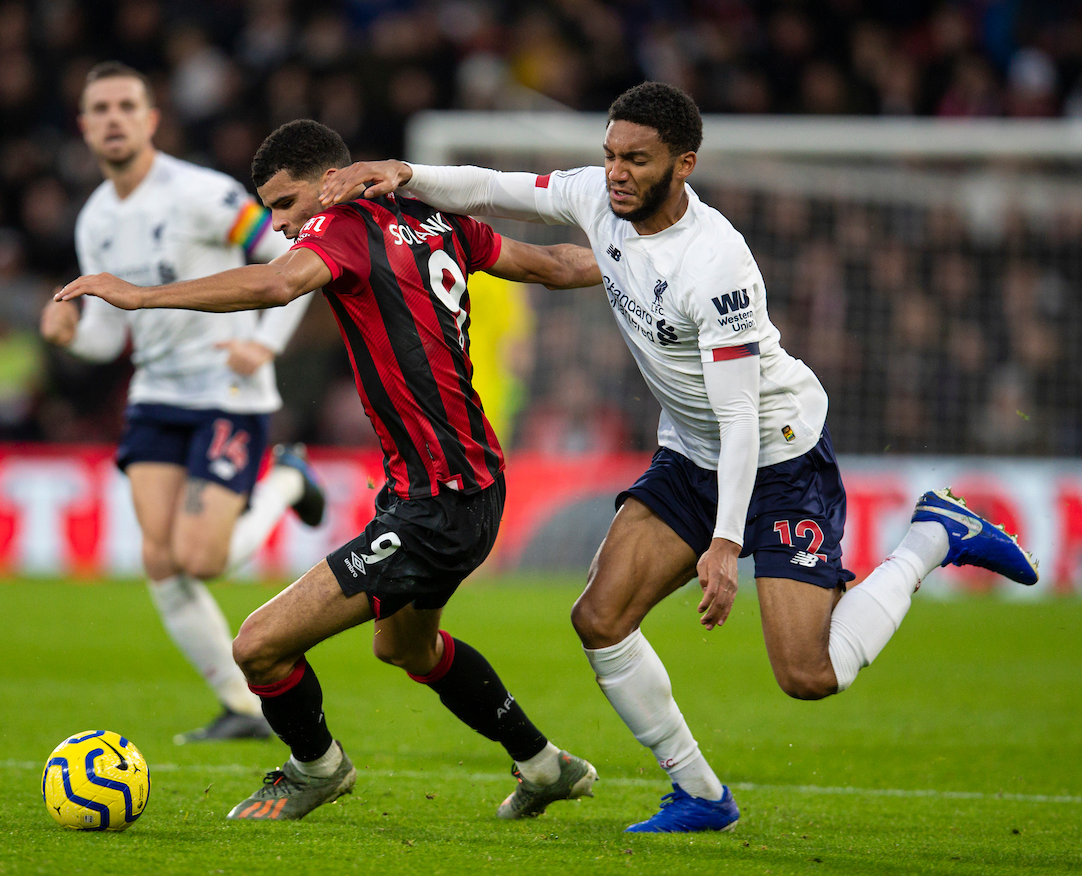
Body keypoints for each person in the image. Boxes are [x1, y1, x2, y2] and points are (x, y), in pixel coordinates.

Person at [317, 81, 1040, 833]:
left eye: (636, 159)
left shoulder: (717, 263)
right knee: (600, 617)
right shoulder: (598, 199)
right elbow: (499, 189)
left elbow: (739, 416)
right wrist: (405, 172)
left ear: (683, 164)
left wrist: (726, 544)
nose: (617, 172)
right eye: (609, 156)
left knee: (808, 675)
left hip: (777, 455)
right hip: (691, 453)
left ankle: (933, 536)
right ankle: (700, 794)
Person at [55, 119, 603, 823]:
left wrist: (140, 296)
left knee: (258, 647)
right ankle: (544, 764)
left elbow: (280, 285)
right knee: (406, 645)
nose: (281, 224)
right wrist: (639, 260)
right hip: (465, 483)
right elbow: (556, 265)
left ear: (329, 181)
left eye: (286, 205)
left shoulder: (341, 226)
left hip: (437, 500)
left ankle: (317, 768)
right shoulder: (437, 216)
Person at [41, 62, 326, 745]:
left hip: (227, 391)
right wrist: (70, 336)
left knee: (202, 559)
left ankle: (289, 479)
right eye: (100, 108)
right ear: (85, 127)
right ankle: (242, 707)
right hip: (156, 397)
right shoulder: (96, 222)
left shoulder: (200, 194)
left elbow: (294, 257)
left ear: (150, 118)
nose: (113, 117)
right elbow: (112, 337)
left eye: (125, 105)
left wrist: (266, 342)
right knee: (161, 561)